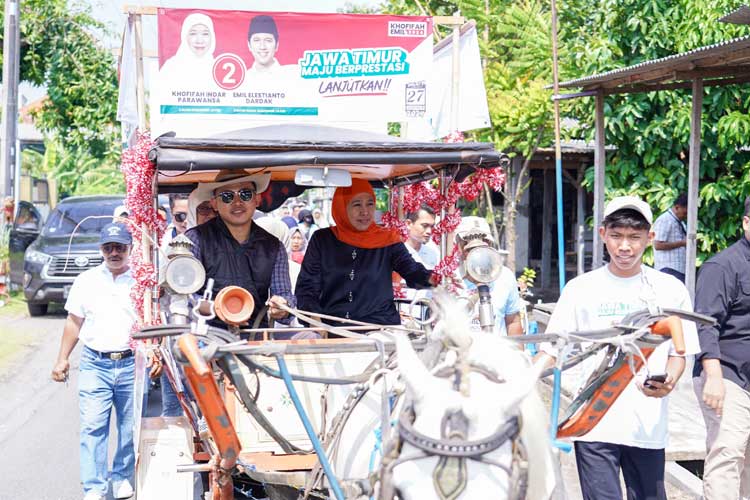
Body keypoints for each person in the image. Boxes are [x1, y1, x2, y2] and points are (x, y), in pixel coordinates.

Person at [537, 196, 699, 500]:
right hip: (593, 423)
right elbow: (552, 349)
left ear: (650, 238)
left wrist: (670, 382)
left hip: (647, 427)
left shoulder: (669, 289)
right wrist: (523, 379)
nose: (625, 247)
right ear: (602, 235)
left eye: (635, 238)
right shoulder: (580, 289)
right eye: (616, 236)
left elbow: (680, 354)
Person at [50, 223, 161, 500]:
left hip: (130, 364)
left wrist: (154, 350)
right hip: (94, 363)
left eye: (120, 247)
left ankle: (121, 477)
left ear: (130, 249)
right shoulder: (86, 280)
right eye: (109, 247)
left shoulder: (143, 281)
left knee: (129, 427)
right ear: (101, 249)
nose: (114, 252)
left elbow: (154, 321)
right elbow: (74, 322)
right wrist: (62, 359)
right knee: (92, 426)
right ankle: (94, 487)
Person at [295, 178, 437, 325]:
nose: (365, 211)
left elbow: (412, 271)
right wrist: (314, 320)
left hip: (381, 328)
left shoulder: (388, 240)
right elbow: (307, 286)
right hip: (332, 328)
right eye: (357, 204)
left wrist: (436, 279)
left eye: (370, 204)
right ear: (342, 207)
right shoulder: (322, 240)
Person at [693, 195, 750, 499]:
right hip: (726, 375)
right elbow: (705, 324)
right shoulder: (722, 266)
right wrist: (713, 377)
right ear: (746, 223)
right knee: (728, 451)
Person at [185, 173, 294, 329]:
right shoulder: (195, 239)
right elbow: (185, 296)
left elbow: (284, 294)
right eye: (227, 196)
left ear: (257, 200)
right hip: (208, 336)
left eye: (245, 194)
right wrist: (219, 309)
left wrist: (282, 306)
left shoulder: (273, 246)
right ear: (214, 204)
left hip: (256, 336)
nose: (237, 202)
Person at [455, 216, 522, 336]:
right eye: (467, 244)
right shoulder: (450, 278)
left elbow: (513, 322)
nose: (476, 250)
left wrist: (517, 353)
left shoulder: (505, 276)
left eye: (483, 242)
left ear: (490, 244)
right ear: (459, 247)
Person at [160, 13, 216, 88]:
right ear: (185, 36)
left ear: (212, 37)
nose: (199, 40)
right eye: (193, 34)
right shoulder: (171, 67)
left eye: (205, 34)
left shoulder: (218, 67)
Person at [653, 193, 688, 282]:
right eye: (685, 213)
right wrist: (682, 243)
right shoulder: (665, 220)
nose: (686, 216)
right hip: (668, 269)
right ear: (677, 207)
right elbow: (657, 245)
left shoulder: (681, 222)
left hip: (680, 269)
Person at [404, 204, 439, 269]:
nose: (429, 231)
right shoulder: (396, 254)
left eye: (432, 226)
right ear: (408, 224)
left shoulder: (432, 253)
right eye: (424, 225)